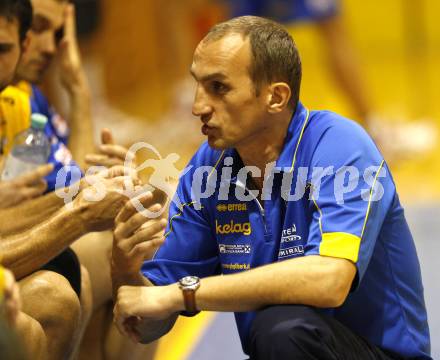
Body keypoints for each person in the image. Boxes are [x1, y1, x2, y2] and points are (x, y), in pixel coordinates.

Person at [113, 16, 431, 359]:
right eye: (198, 85)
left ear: (276, 98)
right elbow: (148, 322)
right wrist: (126, 269)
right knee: (279, 331)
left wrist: (184, 294)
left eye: (218, 88)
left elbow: (330, 280)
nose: (198, 107)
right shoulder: (209, 169)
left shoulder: (339, 146)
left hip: (374, 354)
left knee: (282, 328)